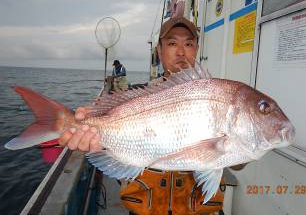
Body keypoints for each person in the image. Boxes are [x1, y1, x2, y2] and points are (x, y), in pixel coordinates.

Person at [59, 16, 245, 214]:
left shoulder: (217, 94)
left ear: (197, 49)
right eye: (172, 43)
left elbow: (238, 163)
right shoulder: (137, 96)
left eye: (188, 44)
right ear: (159, 50)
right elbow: (106, 132)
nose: (181, 52)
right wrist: (92, 123)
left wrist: (246, 143)